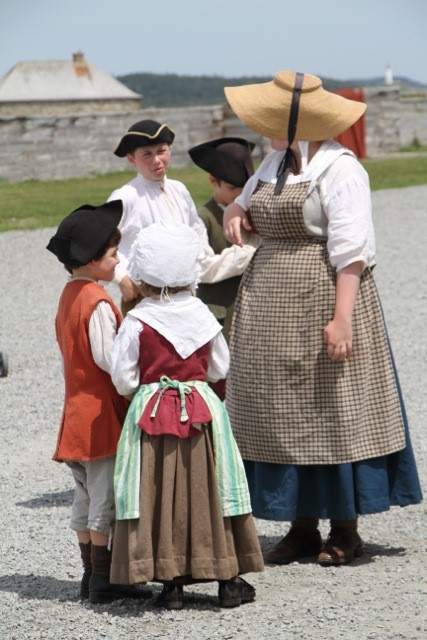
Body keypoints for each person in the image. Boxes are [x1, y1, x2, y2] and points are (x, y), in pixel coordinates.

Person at [222, 70, 423, 566]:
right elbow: (244, 204)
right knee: (284, 413)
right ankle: (301, 526)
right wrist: (234, 212)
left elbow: (351, 252)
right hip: (271, 306)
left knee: (331, 407)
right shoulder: (273, 163)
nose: (264, 126)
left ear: (298, 125)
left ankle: (346, 528)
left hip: (322, 295)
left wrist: (342, 319)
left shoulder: (341, 170)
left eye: (273, 120)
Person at [108, 221, 264, 610]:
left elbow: (123, 378)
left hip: (153, 414)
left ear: (143, 275)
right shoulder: (203, 315)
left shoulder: (137, 321)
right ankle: (227, 577)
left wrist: (149, 388)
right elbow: (219, 368)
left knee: (157, 490)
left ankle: (171, 582)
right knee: (211, 487)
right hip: (200, 415)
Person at [46, 201, 152, 604]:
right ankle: (105, 579)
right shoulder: (97, 301)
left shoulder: (68, 296)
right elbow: (111, 362)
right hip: (100, 416)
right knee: (104, 497)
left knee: (84, 496)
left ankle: (90, 575)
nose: (119, 259)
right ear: (91, 260)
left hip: (75, 411)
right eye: (112, 254)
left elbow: (66, 358)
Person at [108, 119, 255, 315]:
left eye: (161, 151)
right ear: (132, 159)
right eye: (147, 154)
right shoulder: (125, 196)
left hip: (185, 295)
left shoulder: (179, 190)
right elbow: (98, 240)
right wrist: (121, 278)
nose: (157, 160)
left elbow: (196, 232)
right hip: (145, 298)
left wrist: (203, 263)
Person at [188, 137, 256, 342]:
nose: (240, 194)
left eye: (246, 187)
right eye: (232, 187)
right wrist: (249, 253)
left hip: (253, 311)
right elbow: (202, 268)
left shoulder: (256, 210)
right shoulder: (203, 217)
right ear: (212, 180)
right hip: (219, 314)